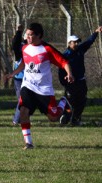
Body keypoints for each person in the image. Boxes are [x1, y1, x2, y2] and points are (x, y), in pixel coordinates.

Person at [6, 22, 74, 150]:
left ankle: (63, 102)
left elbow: (64, 61)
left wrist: (69, 73)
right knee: (23, 111)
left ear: (39, 36)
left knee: (53, 118)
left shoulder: (47, 49)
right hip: (28, 86)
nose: (28, 38)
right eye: (27, 35)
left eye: (31, 35)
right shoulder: (25, 48)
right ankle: (29, 143)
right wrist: (13, 73)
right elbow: (24, 63)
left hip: (44, 90)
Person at [58, 26, 102, 126]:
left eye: (78, 42)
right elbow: (61, 70)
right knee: (70, 101)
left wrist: (96, 32)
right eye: (75, 42)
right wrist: (64, 81)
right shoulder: (65, 55)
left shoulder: (80, 50)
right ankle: (66, 116)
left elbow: (89, 42)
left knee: (82, 100)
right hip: (71, 82)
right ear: (69, 43)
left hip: (81, 81)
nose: (77, 43)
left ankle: (75, 119)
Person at [11, 24, 26, 125]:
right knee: (22, 99)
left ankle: (21, 119)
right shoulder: (19, 50)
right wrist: (19, 32)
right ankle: (16, 120)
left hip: (29, 79)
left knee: (26, 101)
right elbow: (15, 44)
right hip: (19, 79)